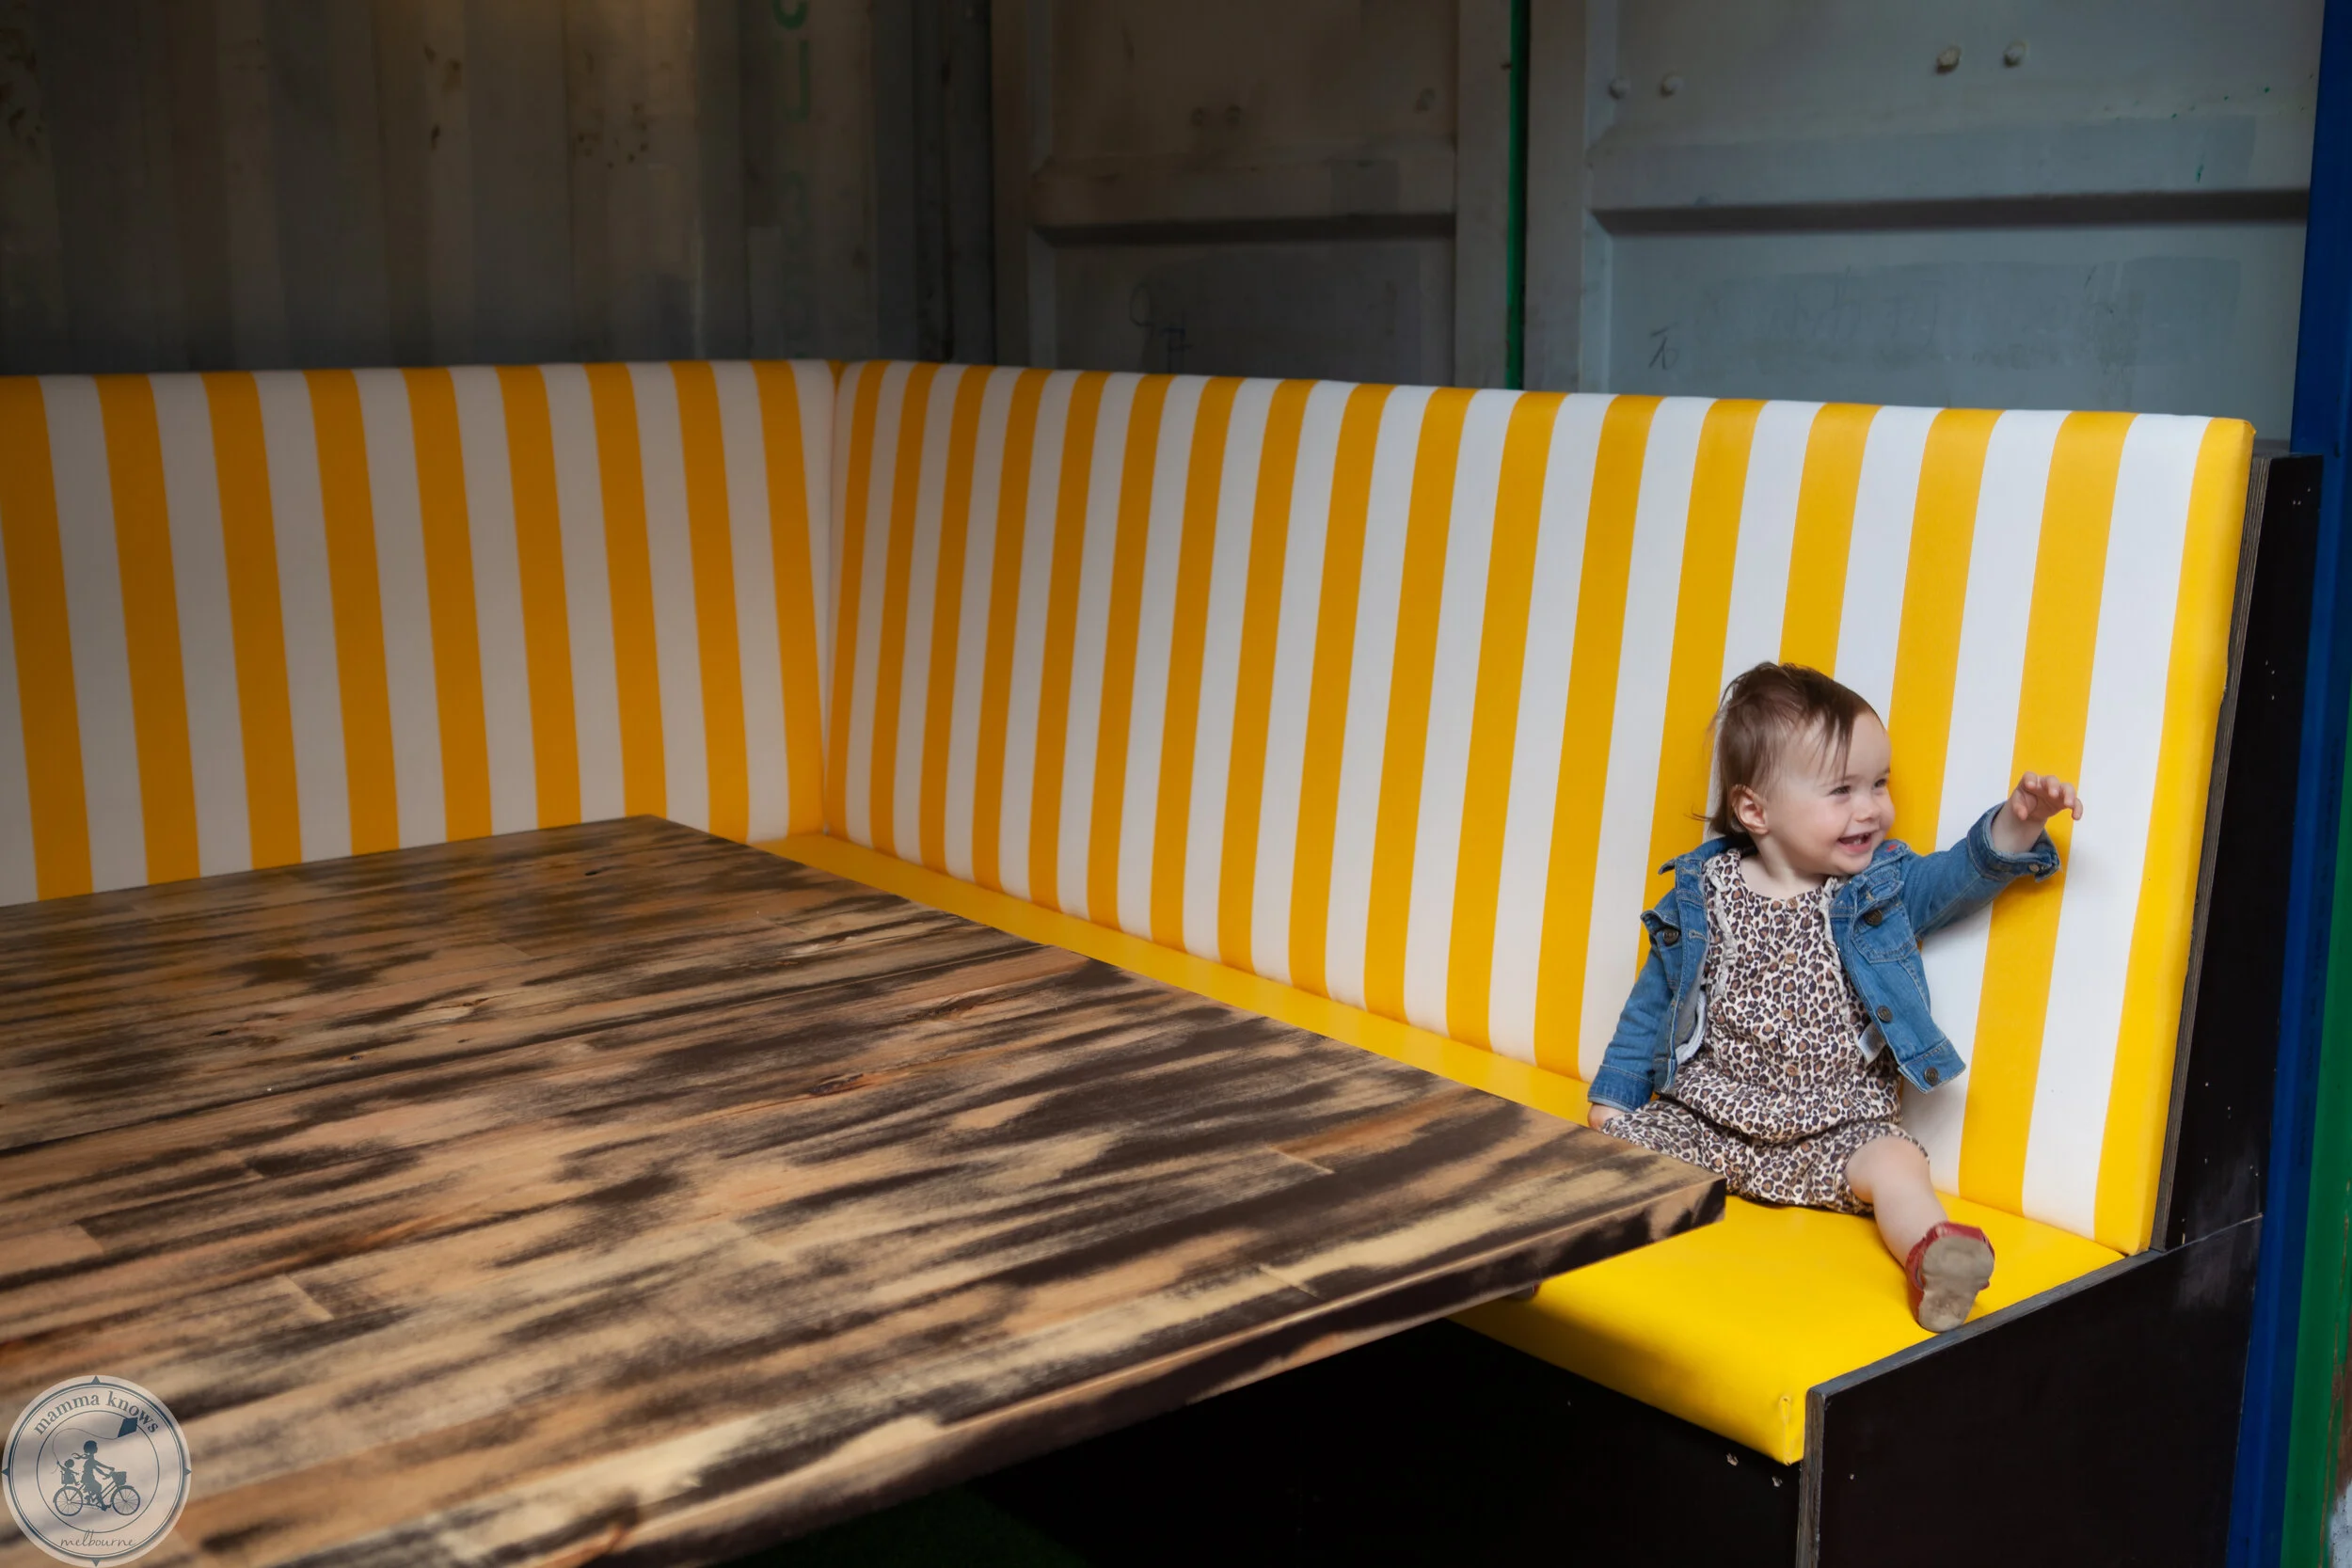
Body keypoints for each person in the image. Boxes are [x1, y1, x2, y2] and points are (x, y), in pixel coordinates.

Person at [1586, 662, 2081, 1332]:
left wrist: (2017, 823)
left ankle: (1936, 1256)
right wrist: (1614, 1098)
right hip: (1706, 1117)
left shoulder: (1878, 889)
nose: (1871, 808)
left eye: (1879, 783)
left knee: (1899, 1163)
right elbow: (1654, 998)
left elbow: (1958, 878)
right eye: (1842, 790)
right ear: (1755, 810)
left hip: (1838, 1128)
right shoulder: (1704, 894)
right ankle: (1547, 1246)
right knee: (1613, 1156)